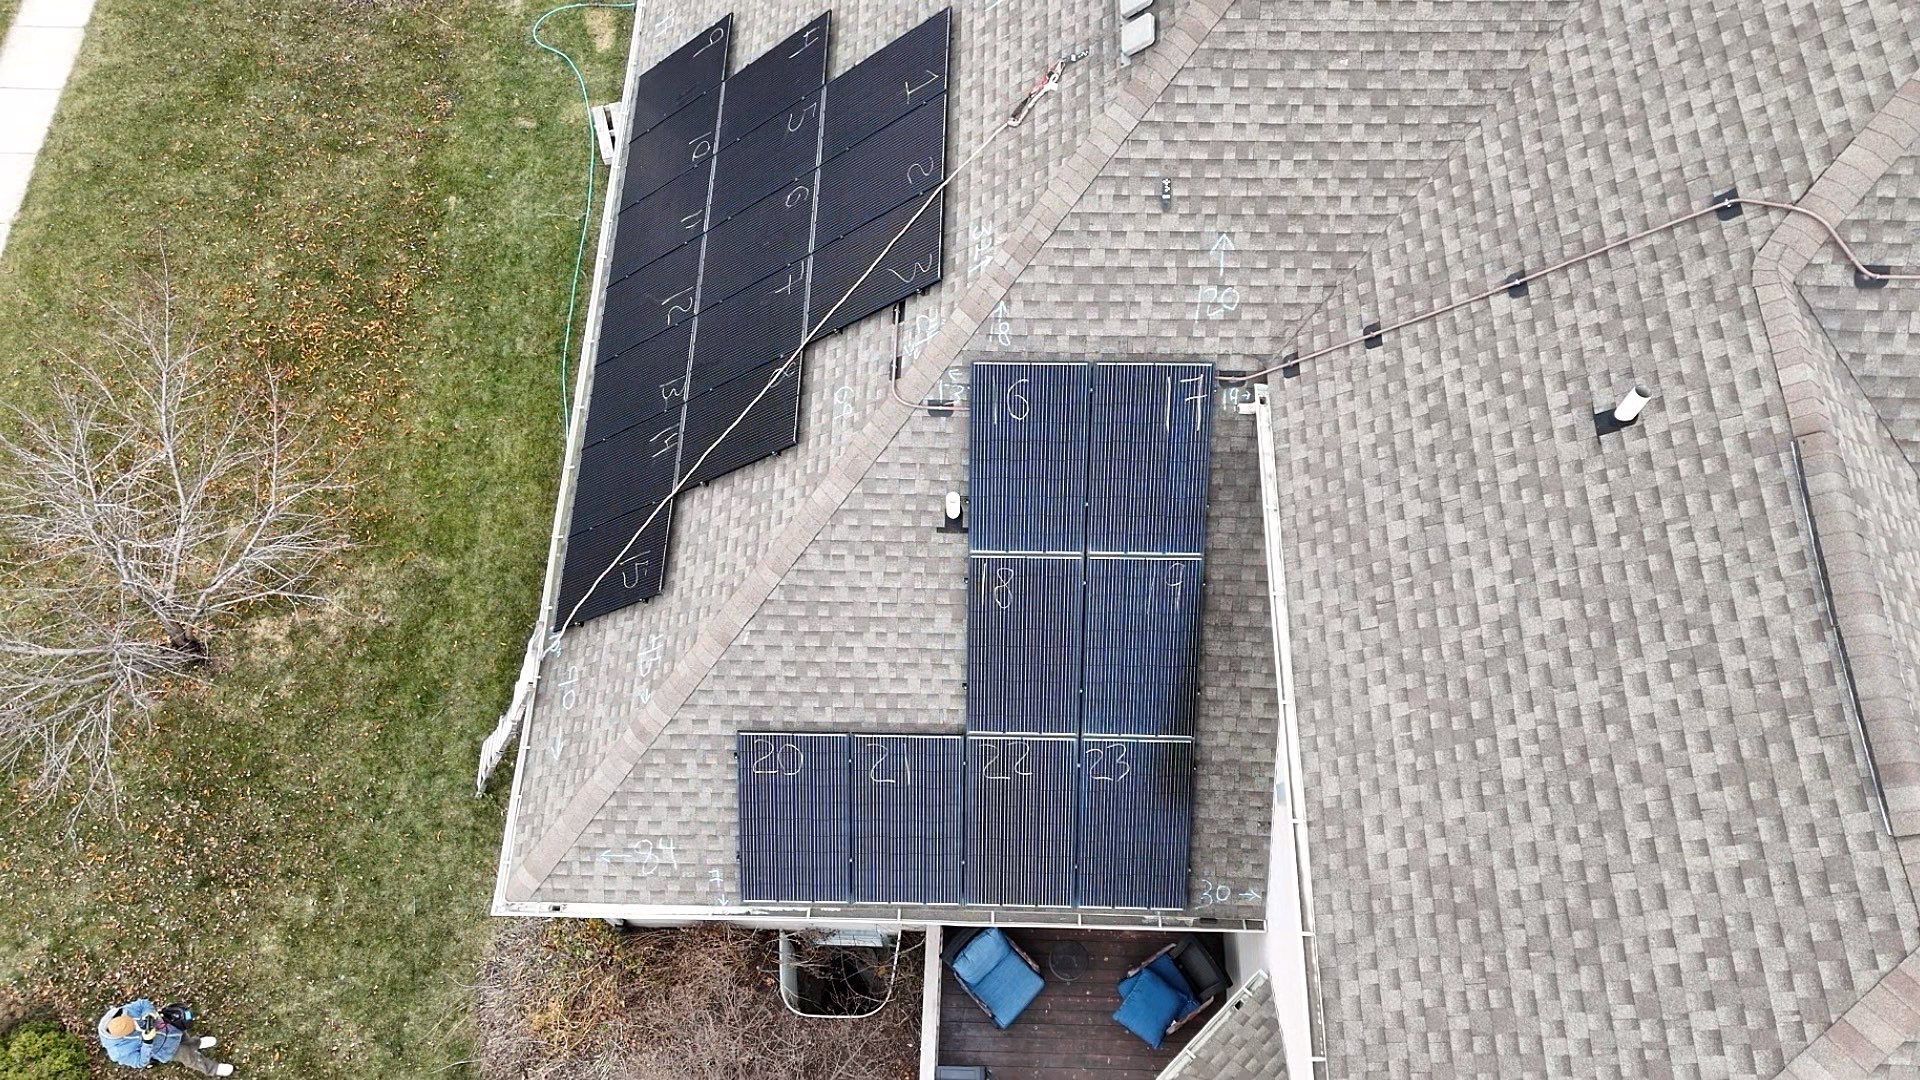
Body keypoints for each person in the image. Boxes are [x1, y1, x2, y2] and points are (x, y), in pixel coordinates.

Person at [96, 999, 235, 1076]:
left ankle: (196, 1043)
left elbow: (142, 1004)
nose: (137, 1024)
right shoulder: (119, 1052)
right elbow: (140, 1062)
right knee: (191, 1058)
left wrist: (149, 1014)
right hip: (167, 1050)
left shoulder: (121, 1013)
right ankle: (213, 1069)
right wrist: (147, 1041)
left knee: (185, 1038)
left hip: (170, 1029)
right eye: (133, 1028)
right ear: (123, 1036)